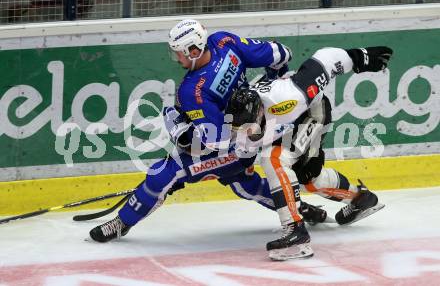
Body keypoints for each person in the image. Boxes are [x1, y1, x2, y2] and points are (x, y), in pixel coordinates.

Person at [89, 19, 326, 243]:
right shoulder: (224, 42)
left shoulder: (192, 90)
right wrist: (272, 81)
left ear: (194, 50)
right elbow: (281, 53)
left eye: (179, 53)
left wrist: (180, 132)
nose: (177, 58)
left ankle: (121, 223)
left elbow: (215, 142)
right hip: (261, 128)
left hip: (235, 145)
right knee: (244, 184)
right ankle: (297, 207)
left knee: (163, 174)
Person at [226, 46, 392, 260]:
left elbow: (323, 60)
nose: (247, 133)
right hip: (285, 128)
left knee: (273, 158)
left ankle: (295, 230)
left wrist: (358, 57)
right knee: (309, 180)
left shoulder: (288, 97)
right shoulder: (234, 122)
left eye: (251, 125)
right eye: (241, 129)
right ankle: (362, 199)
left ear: (260, 111)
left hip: (312, 113)